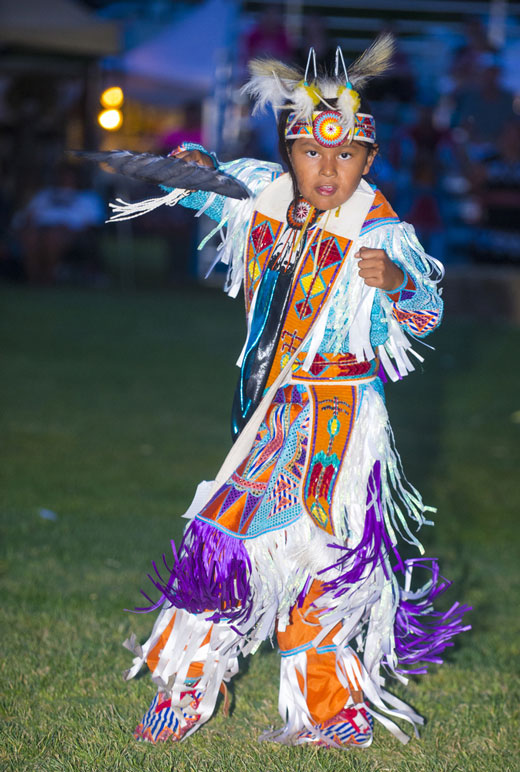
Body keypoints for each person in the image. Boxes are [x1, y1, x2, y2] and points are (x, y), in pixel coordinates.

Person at [121, 35, 470, 749]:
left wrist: (397, 282)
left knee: (328, 561)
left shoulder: (380, 228)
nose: (328, 168)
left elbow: (426, 308)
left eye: (346, 156)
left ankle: (328, 707)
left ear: (368, 161)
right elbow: (203, 180)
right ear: (290, 152)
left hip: (342, 422)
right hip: (272, 416)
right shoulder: (265, 195)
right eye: (313, 152)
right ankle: (191, 686)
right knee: (223, 543)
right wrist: (190, 167)